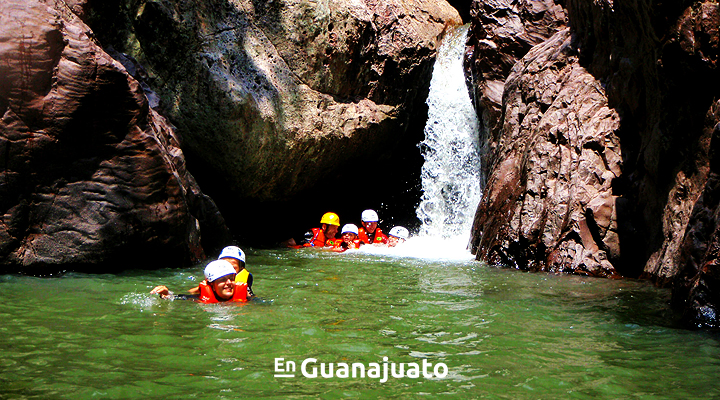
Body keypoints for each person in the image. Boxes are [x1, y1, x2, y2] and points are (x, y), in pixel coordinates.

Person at [150, 259, 248, 303]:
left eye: (231, 278)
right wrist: (165, 294)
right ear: (212, 285)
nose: (229, 283)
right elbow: (171, 298)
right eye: (222, 280)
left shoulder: (247, 299)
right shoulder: (198, 299)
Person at [187, 246, 254, 297]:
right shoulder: (212, 281)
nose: (227, 269)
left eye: (232, 267)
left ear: (241, 269)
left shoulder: (243, 288)